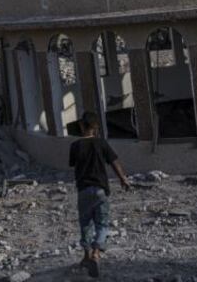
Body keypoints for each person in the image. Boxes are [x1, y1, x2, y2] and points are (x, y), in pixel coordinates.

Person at [68, 111, 131, 278]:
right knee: (102, 224)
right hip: (101, 190)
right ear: (96, 127)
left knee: (85, 224)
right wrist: (123, 180)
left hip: (83, 190)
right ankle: (95, 254)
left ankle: (87, 254)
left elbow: (73, 164)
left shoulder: (75, 146)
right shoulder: (101, 143)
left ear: (81, 126)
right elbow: (114, 162)